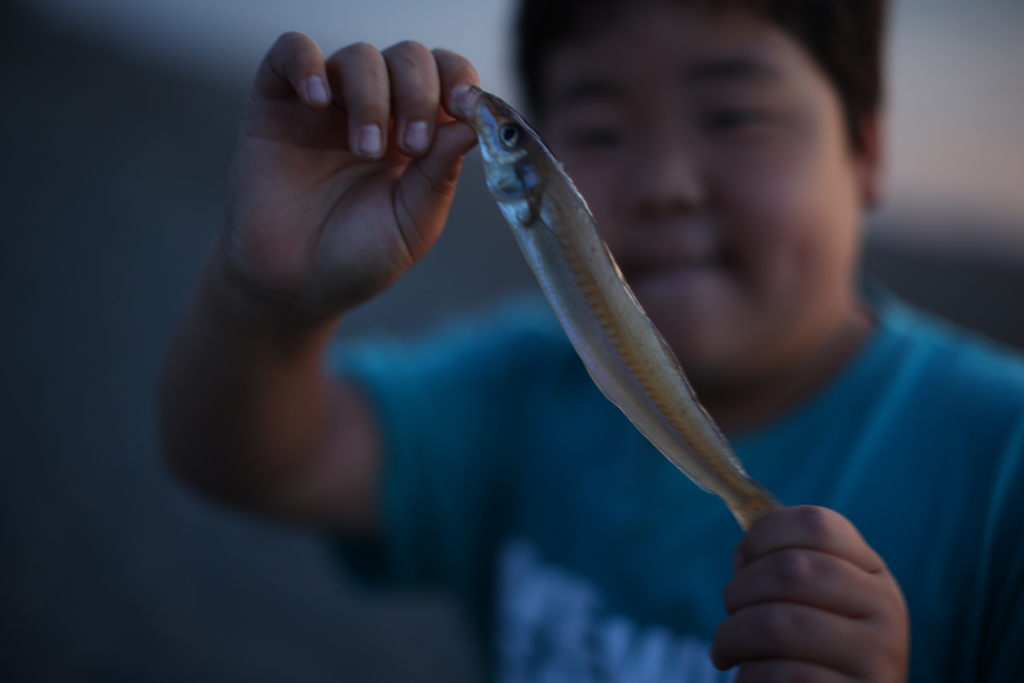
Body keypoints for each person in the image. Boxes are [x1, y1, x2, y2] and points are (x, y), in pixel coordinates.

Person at [160, 0, 1024, 680]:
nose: (663, 186)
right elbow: (257, 459)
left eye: (733, 116)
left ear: (867, 149)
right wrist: (263, 292)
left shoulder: (1002, 463)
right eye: (603, 131)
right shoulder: (512, 385)